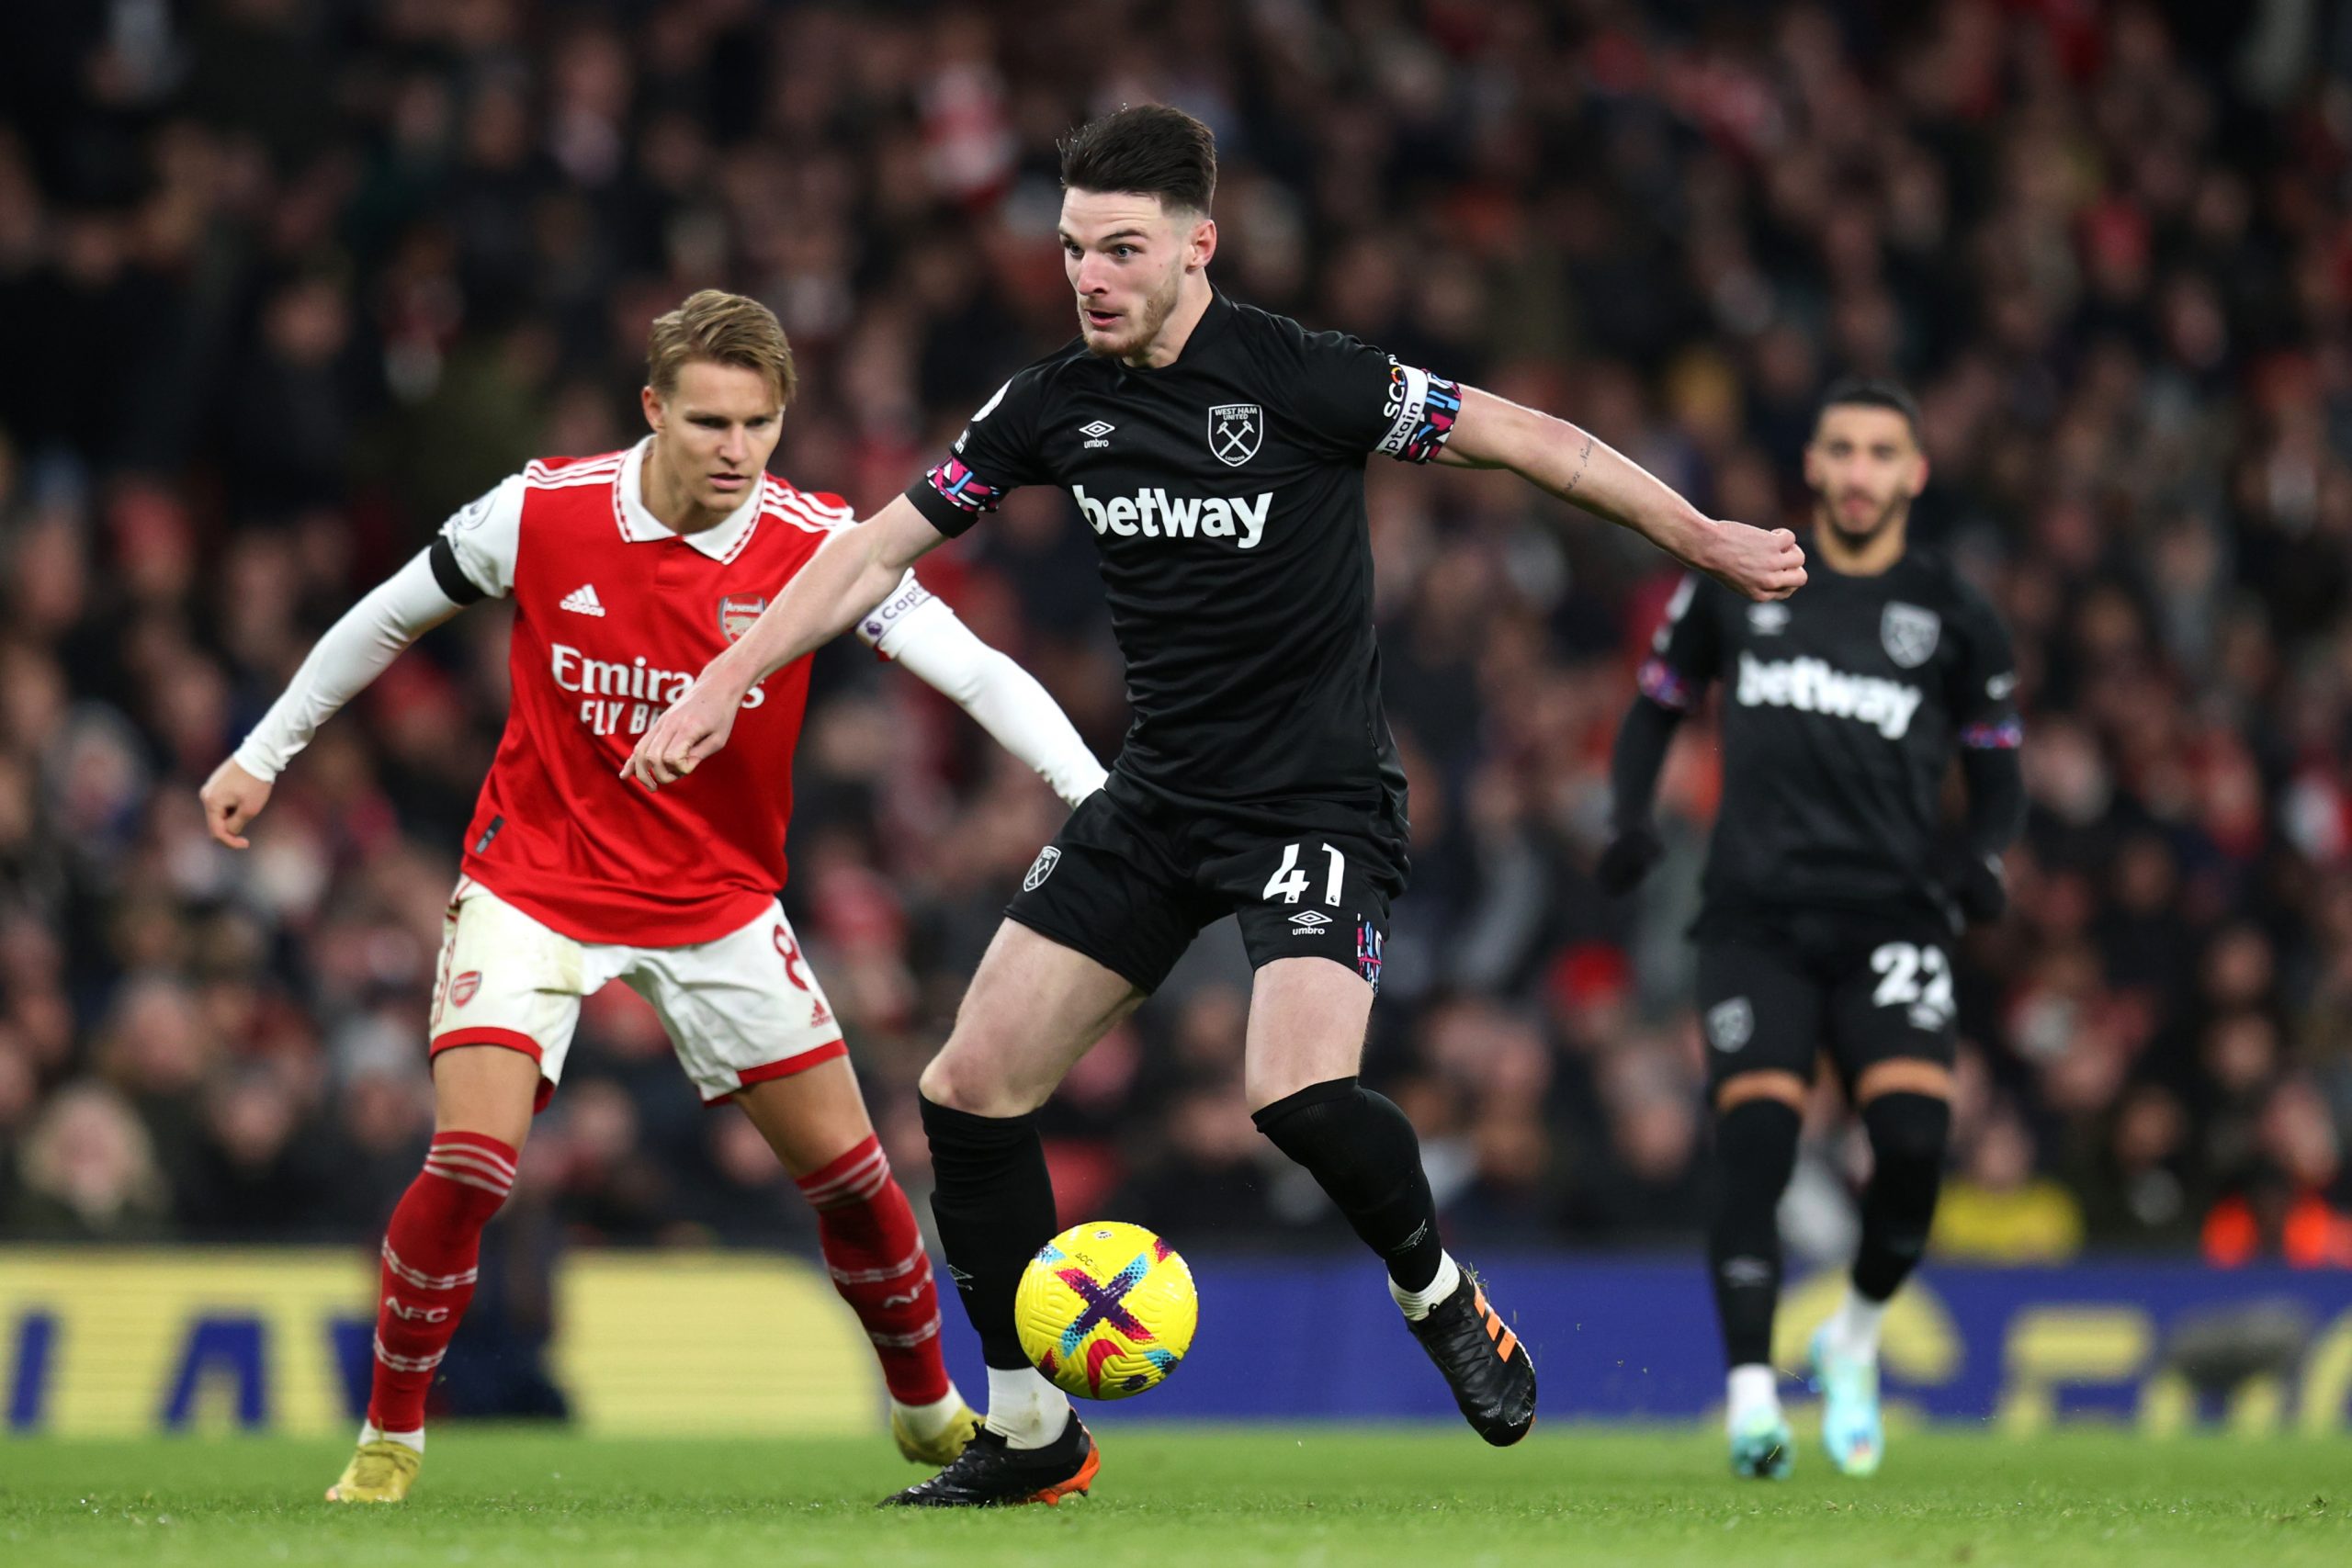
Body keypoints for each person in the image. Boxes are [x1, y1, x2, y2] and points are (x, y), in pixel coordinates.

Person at [626, 106, 1804, 1507]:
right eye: (1072, 248)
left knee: (1295, 1090)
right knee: (967, 1086)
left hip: (1315, 800)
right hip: (1162, 797)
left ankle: (1436, 1291)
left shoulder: (1304, 375)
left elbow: (1529, 438)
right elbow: (872, 545)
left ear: (1200, 248)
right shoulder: (1050, 402)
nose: (1090, 276)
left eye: (1122, 248)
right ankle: (1031, 1429)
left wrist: (1705, 538)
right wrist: (729, 675)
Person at [198, 289, 1107, 1503]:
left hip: (719, 903)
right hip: (534, 881)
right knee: (472, 1160)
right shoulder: (544, 508)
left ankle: (926, 1404)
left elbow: (976, 669)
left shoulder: (815, 541)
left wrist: (1091, 788)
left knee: (852, 1179)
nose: (735, 450)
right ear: (653, 410)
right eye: (709, 420)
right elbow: (389, 613)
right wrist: (266, 749)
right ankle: (392, 1435)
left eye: (760, 422)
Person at [1597, 378, 2026, 1479]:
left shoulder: (1953, 614)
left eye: (1881, 452)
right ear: (1816, 466)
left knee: (1917, 1149)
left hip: (1892, 917)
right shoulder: (1744, 576)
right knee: (1757, 1147)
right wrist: (1630, 819)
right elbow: (1655, 705)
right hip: (1756, 919)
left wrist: (1979, 859)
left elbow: (1998, 771)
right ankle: (1749, 1395)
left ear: (1913, 473)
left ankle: (1854, 1335)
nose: (1857, 471)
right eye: (1840, 449)